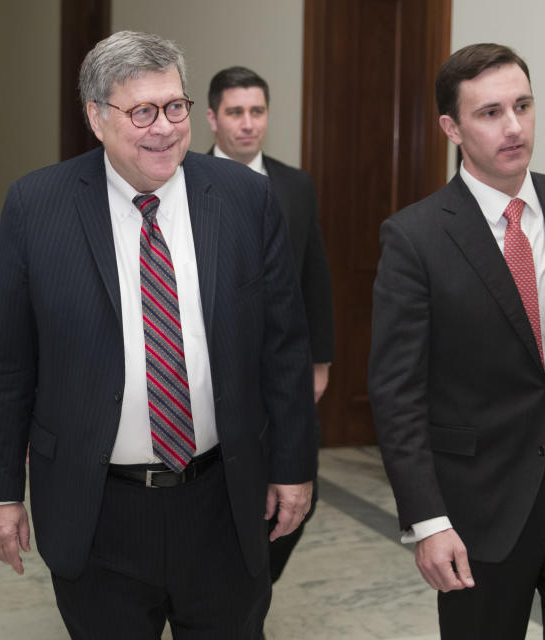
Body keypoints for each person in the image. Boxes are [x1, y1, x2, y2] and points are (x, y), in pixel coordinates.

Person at [0, 30, 316, 639]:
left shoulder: (244, 197)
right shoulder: (37, 206)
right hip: (96, 506)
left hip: (222, 502)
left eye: (175, 106)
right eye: (142, 112)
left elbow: (283, 348)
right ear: (96, 118)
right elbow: (6, 364)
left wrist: (292, 466)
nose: (165, 128)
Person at [369, 42, 545, 639]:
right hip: (479, 508)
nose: (514, 126)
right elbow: (397, 394)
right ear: (451, 127)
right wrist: (428, 520)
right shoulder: (415, 238)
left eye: (522, 106)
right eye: (490, 112)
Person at [206, 65, 334, 582]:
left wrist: (319, 359)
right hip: (214, 368)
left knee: (300, 485)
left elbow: (314, 275)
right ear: (212, 119)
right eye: (235, 112)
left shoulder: (295, 185)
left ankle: (253, 584)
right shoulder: (183, 181)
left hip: (283, 364)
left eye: (257, 111)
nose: (247, 124)